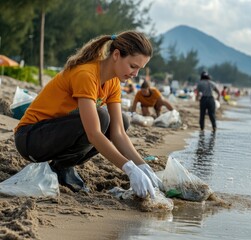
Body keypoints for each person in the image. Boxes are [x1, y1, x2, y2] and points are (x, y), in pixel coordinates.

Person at [13, 30, 161, 199]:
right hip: (30, 139)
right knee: (102, 118)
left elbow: (118, 132)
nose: (135, 74)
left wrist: (142, 166)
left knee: (122, 121)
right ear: (116, 54)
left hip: (54, 136)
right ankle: (62, 167)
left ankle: (62, 166)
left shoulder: (113, 83)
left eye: (139, 69)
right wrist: (129, 169)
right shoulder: (86, 74)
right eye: (133, 66)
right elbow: (93, 133)